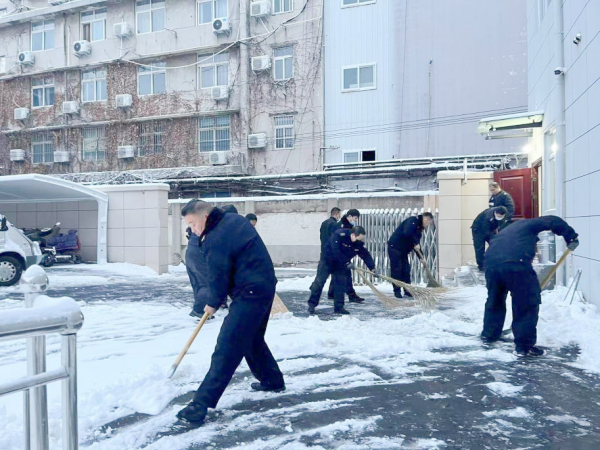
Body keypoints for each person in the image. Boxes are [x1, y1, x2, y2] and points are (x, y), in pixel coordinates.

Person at [177, 200, 285, 424]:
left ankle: (200, 404)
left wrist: (213, 302)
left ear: (205, 216)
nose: (192, 230)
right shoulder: (233, 219)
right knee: (251, 339)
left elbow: (218, 275)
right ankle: (272, 380)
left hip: (251, 292)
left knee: (228, 344)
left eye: (193, 224)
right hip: (264, 286)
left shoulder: (215, 238)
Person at [481, 215, 579, 357]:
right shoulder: (529, 224)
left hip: (491, 266)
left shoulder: (504, 233)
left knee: (495, 300)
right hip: (516, 264)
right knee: (526, 303)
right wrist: (571, 237)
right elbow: (552, 220)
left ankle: (489, 335)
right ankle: (524, 347)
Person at [308, 226, 376, 315]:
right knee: (319, 282)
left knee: (340, 285)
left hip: (340, 265)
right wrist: (347, 262)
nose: (360, 241)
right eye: (359, 239)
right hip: (327, 262)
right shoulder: (339, 235)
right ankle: (312, 305)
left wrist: (372, 268)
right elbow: (336, 251)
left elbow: (365, 254)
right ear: (353, 235)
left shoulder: (357, 243)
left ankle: (339, 307)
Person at [387, 212, 434, 298]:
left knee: (406, 270)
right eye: (428, 222)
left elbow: (417, 245)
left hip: (403, 250)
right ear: (425, 219)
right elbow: (407, 233)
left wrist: (421, 258)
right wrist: (415, 243)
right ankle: (397, 291)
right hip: (395, 247)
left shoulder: (419, 229)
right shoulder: (413, 220)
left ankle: (407, 290)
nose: (428, 224)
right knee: (397, 269)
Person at [185, 227, 214, 320]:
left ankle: (200, 310)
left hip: (192, 252)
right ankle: (199, 311)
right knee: (205, 284)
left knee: (198, 284)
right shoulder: (207, 227)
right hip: (198, 255)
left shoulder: (199, 228)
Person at [471, 206, 508, 272]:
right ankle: (481, 266)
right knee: (480, 248)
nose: (499, 217)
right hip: (478, 229)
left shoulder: (505, 215)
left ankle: (498, 263)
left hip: (491, 229)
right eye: (498, 216)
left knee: (496, 245)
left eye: (501, 216)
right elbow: (487, 232)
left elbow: (501, 227)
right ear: (495, 213)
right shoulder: (487, 215)